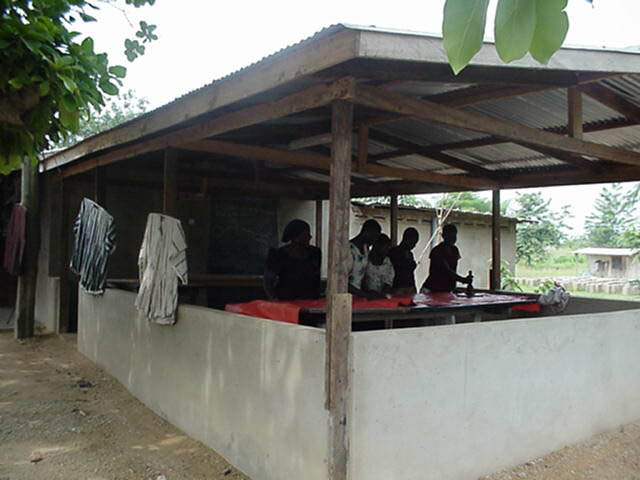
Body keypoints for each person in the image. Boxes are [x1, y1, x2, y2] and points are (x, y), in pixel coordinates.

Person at [264, 219, 321, 300]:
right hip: (286, 302)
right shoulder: (278, 255)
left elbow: (316, 279)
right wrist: (275, 301)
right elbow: (268, 282)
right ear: (297, 237)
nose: (310, 237)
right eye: (306, 234)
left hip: (310, 301)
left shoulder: (315, 253)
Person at [421, 224, 472, 293]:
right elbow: (446, 271)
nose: (452, 238)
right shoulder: (437, 251)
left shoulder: (455, 250)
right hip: (432, 289)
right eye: (450, 235)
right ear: (443, 236)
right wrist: (463, 280)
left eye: (454, 235)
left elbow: (453, 270)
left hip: (446, 290)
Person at [347, 219, 382, 298]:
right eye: (374, 236)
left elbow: (362, 275)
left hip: (358, 296)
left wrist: (369, 291)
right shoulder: (348, 249)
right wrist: (364, 295)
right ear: (366, 233)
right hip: (345, 297)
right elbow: (342, 281)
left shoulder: (366, 249)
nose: (375, 240)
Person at [388, 227, 419, 294]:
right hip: (398, 287)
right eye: (413, 242)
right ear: (407, 239)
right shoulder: (393, 252)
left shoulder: (410, 254)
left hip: (409, 286)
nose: (414, 245)